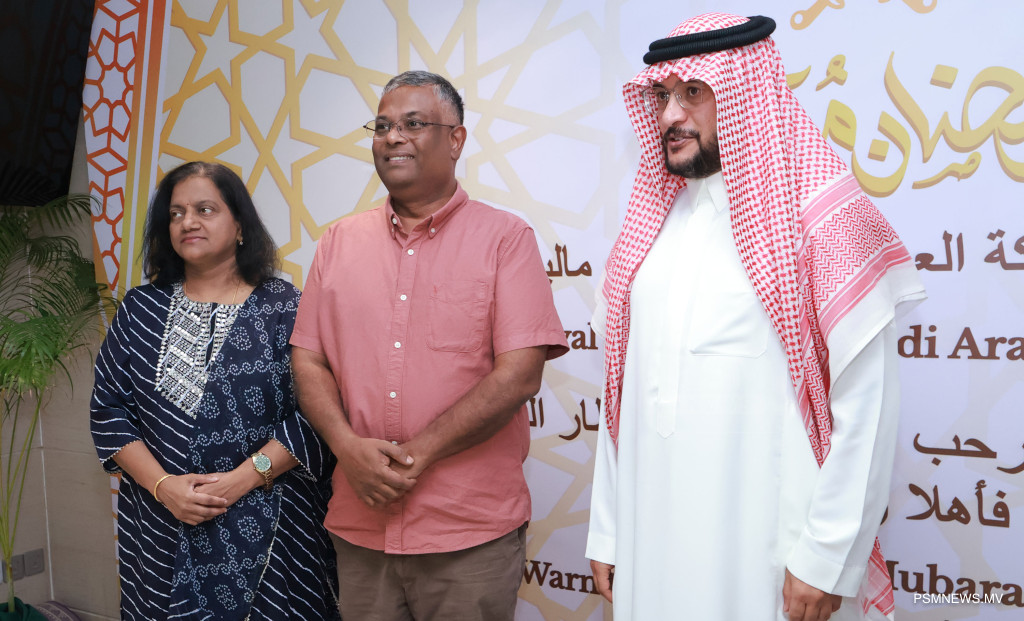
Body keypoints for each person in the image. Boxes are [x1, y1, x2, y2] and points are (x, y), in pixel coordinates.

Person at [585, 14, 926, 621]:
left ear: (745, 93)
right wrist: (609, 530)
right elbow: (622, 395)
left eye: (693, 92)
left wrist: (827, 557)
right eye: (662, 96)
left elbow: (867, 406)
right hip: (649, 544)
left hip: (770, 556)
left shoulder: (821, 219)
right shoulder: (651, 233)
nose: (669, 116)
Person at [290, 70, 568, 620]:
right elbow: (309, 358)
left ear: (456, 140)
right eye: (383, 126)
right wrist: (348, 448)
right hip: (361, 527)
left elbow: (520, 374)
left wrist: (413, 457)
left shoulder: (505, 239)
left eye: (413, 124)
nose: (393, 137)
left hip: (468, 534)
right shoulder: (339, 242)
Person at [90, 161, 340, 620]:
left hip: (271, 524)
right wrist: (164, 487)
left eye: (205, 209)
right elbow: (109, 409)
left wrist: (242, 479)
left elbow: (317, 414)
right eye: (176, 213)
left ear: (240, 226)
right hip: (161, 524)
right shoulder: (140, 309)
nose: (188, 222)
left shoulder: (285, 307)